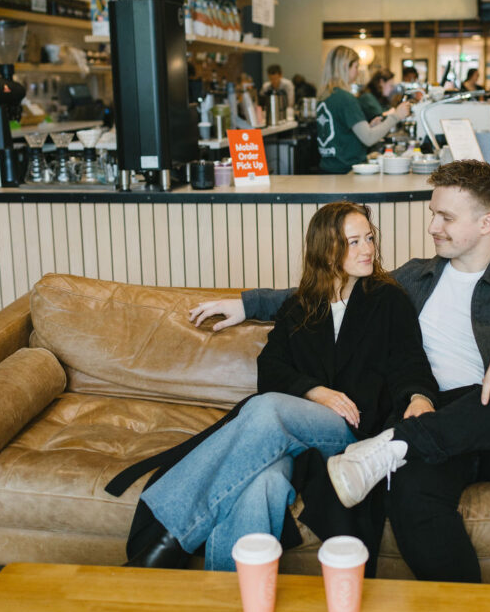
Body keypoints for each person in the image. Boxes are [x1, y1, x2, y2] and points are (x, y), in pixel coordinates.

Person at [207, 160, 490, 584]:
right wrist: (247, 303)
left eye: (445, 216)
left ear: (487, 222)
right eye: (433, 213)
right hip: (435, 424)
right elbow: (332, 284)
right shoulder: (416, 276)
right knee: (409, 495)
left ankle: (393, 445)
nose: (432, 226)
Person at [115, 201, 438, 573]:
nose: (367, 249)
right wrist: (315, 391)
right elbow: (271, 367)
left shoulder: (388, 300)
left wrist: (419, 395)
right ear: (326, 248)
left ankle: (169, 538)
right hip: (294, 437)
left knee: (265, 408)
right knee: (261, 485)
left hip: (351, 431)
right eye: (353, 242)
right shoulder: (301, 305)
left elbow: (409, 362)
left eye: (369, 238)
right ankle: (232, 600)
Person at [316, 46, 410, 173]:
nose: (358, 72)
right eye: (356, 67)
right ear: (345, 66)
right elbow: (369, 138)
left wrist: (369, 127)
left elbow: (340, 132)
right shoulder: (346, 98)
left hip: (329, 169)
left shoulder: (324, 96)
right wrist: (396, 116)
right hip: (346, 172)